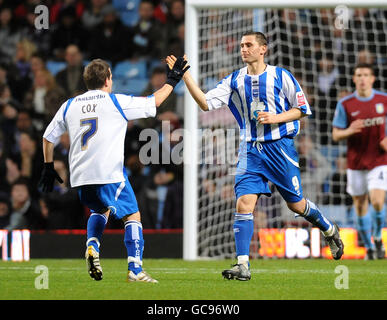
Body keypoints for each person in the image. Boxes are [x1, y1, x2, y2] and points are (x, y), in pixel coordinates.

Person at [167, 31, 344, 281]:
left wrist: (276, 118)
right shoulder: (235, 80)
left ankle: (328, 229)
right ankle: (242, 264)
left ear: (263, 49)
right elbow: (205, 103)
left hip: (280, 148)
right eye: (241, 45)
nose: (244, 49)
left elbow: (302, 109)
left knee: (296, 204)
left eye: (249, 45)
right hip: (250, 149)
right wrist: (185, 74)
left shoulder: (281, 76)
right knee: (243, 204)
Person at [38, 57, 188, 282]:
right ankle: (135, 270)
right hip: (108, 173)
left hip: (80, 176)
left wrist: (48, 166)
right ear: (108, 79)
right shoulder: (115, 101)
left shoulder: (69, 105)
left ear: (86, 81)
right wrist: (173, 79)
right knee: (132, 214)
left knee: (101, 211)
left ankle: (92, 246)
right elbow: (154, 102)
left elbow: (48, 137)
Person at [332, 63, 387, 260]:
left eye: (366, 75)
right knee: (361, 206)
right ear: (354, 79)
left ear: (372, 78)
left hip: (379, 161)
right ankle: (370, 248)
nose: (362, 78)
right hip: (355, 164)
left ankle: (378, 236)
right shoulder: (345, 104)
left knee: (378, 202)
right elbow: (336, 135)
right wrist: (350, 130)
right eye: (358, 75)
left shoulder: (384, 100)